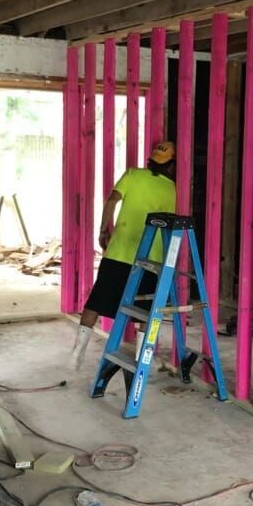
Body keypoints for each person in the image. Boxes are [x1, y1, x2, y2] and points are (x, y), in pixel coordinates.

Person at [70, 140, 176, 369]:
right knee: (144, 310)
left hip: (118, 251)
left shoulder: (133, 175)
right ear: (171, 165)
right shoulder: (170, 188)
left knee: (96, 301)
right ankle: (141, 358)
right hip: (149, 257)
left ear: (151, 159)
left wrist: (103, 229)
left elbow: (112, 200)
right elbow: (167, 224)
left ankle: (77, 352)